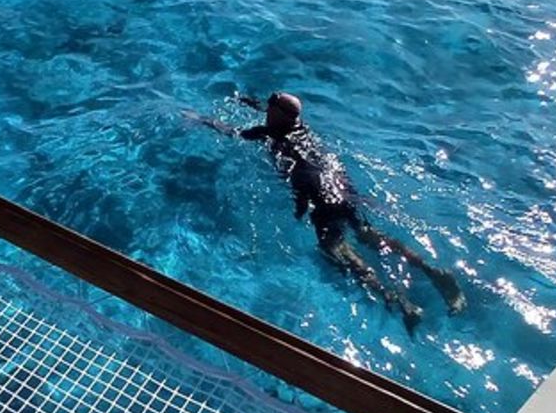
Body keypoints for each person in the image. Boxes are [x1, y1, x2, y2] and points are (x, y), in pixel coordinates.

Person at [186, 92, 465, 332]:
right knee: (369, 234)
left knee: (335, 249)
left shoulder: (268, 133)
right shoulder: (301, 127)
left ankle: (401, 303)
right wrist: (251, 102)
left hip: (319, 196)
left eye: (270, 105)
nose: (266, 108)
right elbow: (277, 111)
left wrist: (201, 119)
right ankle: (433, 271)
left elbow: (231, 132)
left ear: (277, 114)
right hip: (341, 185)